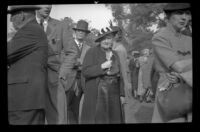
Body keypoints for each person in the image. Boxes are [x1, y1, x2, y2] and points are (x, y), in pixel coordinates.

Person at [151, 3, 192, 123]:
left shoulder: (189, 39)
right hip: (170, 90)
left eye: (187, 13)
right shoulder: (160, 37)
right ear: (167, 17)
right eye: (179, 13)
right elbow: (178, 66)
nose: (184, 17)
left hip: (189, 87)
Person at [7, 5, 48, 125]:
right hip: (25, 100)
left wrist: (10, 37)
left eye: (12, 15)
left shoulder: (30, 30)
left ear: (22, 15)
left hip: (24, 100)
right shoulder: (33, 29)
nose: (10, 20)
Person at [36, 5, 75, 124]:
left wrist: (62, 74)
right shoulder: (27, 25)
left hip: (54, 78)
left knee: (58, 118)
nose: (47, 6)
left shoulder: (61, 25)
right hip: (32, 79)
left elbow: (72, 52)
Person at [80, 27, 125, 124]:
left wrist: (122, 94)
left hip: (114, 93)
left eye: (108, 38)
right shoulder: (92, 51)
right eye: (103, 38)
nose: (106, 41)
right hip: (97, 93)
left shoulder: (115, 54)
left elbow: (119, 76)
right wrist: (101, 67)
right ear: (100, 40)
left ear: (112, 39)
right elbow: (85, 71)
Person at [64, 20, 91, 124]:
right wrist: (75, 63)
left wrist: (82, 65)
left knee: (76, 108)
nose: (80, 32)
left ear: (86, 34)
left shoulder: (88, 48)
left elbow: (89, 65)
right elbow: (62, 60)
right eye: (79, 30)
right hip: (67, 81)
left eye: (83, 31)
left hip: (80, 82)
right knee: (65, 107)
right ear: (75, 32)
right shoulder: (67, 45)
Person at [111, 26, 132, 100]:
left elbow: (123, 68)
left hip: (118, 78)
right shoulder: (114, 47)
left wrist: (125, 84)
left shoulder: (119, 49)